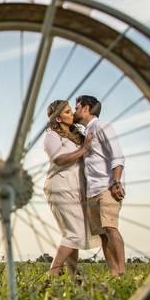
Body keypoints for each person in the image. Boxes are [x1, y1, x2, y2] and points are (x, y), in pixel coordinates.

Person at [42, 100, 98, 277]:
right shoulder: (52, 136)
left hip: (75, 190)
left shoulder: (74, 136)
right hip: (59, 188)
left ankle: (75, 278)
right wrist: (84, 149)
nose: (72, 114)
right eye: (67, 112)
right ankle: (52, 274)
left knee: (73, 234)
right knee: (75, 233)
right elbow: (59, 159)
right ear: (57, 118)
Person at [74, 95, 127, 276]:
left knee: (111, 228)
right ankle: (114, 275)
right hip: (92, 192)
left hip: (107, 188)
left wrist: (116, 181)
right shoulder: (86, 132)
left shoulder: (101, 125)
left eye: (77, 107)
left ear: (86, 108)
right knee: (103, 235)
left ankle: (122, 272)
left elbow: (117, 155)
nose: (75, 111)